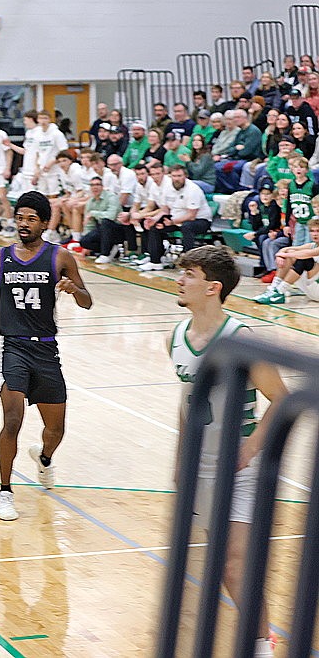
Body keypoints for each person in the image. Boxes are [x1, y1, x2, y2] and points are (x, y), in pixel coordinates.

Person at [169, 245, 287, 658]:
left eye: (189, 274)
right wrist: (181, 459)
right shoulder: (177, 338)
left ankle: (261, 646)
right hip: (200, 467)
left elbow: (281, 398)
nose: (180, 279)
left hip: (240, 466)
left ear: (212, 287)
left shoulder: (241, 340)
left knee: (236, 565)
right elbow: (188, 401)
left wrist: (251, 450)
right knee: (222, 566)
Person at [0, 192, 92, 521]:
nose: (23, 224)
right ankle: (5, 491)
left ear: (44, 223)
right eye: (20, 218)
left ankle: (44, 459)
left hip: (46, 349)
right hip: (14, 347)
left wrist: (74, 290)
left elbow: (87, 301)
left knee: (56, 430)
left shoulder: (60, 258)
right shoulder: (2, 257)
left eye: (30, 219)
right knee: (12, 420)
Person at [138, 164, 213, 272]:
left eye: (179, 176)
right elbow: (165, 210)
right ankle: (155, 261)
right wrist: (154, 219)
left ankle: (189, 265)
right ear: (170, 176)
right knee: (155, 227)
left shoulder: (193, 189)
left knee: (187, 227)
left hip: (200, 220)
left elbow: (191, 215)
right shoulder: (167, 188)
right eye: (174, 176)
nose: (176, 179)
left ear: (185, 176)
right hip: (176, 219)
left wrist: (172, 222)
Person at [254, 217, 319, 304]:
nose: (315, 234)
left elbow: (306, 254)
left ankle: (280, 291)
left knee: (303, 259)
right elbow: (287, 249)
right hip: (311, 288)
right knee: (291, 254)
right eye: (312, 231)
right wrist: (280, 255)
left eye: (318, 231)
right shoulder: (312, 245)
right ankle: (274, 289)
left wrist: (284, 254)